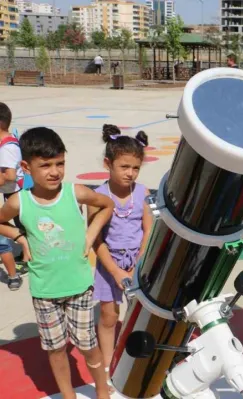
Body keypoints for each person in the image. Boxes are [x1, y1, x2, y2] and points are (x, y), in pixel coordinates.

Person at [0, 127, 115, 399]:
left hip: (79, 286)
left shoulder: (75, 192)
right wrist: (20, 237)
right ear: (26, 167)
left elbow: (107, 205)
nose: (55, 171)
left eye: (60, 163)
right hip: (45, 291)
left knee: (88, 345)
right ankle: (68, 395)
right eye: (46, 165)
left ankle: (102, 391)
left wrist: (90, 235)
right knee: (56, 348)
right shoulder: (19, 202)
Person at [89, 124, 153, 389]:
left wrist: (140, 259)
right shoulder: (97, 196)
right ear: (108, 163)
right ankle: (107, 365)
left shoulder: (143, 193)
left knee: (138, 313)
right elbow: (97, 239)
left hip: (138, 262)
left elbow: (149, 229)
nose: (130, 173)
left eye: (135, 168)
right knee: (108, 317)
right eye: (124, 167)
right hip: (109, 264)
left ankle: (132, 360)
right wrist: (115, 271)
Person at [0, 102, 29, 290]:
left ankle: (28, 258)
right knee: (20, 224)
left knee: (22, 224)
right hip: (12, 191)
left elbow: (9, 175)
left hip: (15, 192)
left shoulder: (6, 147)